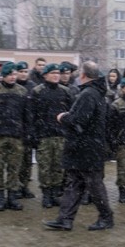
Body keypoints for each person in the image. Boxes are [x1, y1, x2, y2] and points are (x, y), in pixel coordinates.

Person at [43, 61, 114, 231]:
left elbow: (79, 120)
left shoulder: (89, 94)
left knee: (94, 185)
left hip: (86, 148)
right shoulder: (94, 93)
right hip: (84, 147)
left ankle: (106, 217)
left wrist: (63, 117)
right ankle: (65, 219)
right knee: (74, 184)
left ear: (83, 75)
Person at [0, 62, 31, 212]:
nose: (12, 77)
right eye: (9, 75)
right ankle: (0, 198)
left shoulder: (22, 91)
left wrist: (28, 133)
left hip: (16, 136)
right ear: (2, 76)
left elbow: (27, 115)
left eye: (14, 74)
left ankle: (12, 197)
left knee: (14, 167)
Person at [30, 63, 75, 208]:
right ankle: (46, 195)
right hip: (44, 136)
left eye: (58, 73)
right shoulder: (37, 91)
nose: (57, 75)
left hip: (61, 135)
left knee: (58, 166)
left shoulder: (66, 91)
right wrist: (34, 135)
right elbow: (32, 115)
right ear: (45, 75)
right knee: (44, 166)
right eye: (53, 73)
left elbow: (71, 113)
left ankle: (56, 194)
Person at [15, 61, 37, 200]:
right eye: (20, 71)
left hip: (29, 127)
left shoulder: (32, 87)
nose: (23, 74)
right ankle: (16, 187)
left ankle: (24, 186)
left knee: (27, 161)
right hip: (16, 128)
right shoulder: (13, 87)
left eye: (25, 71)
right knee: (16, 160)